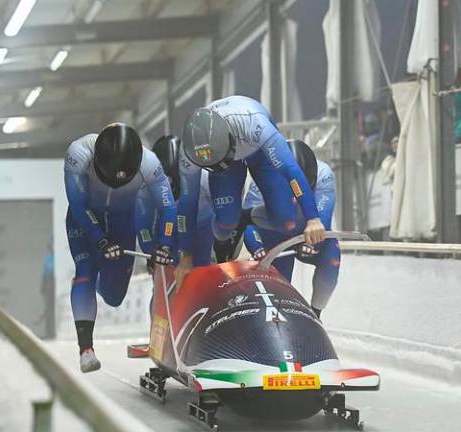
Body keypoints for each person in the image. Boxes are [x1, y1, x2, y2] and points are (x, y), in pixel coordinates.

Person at [174, 96, 326, 287]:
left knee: (286, 221)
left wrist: (313, 218)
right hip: (226, 168)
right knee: (226, 221)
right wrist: (185, 256)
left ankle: (247, 217)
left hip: (259, 151)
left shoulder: (256, 124)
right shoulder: (189, 153)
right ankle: (221, 249)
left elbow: (291, 171)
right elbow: (187, 203)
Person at [64, 123, 177, 372]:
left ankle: (98, 281)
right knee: (85, 269)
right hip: (84, 220)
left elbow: (168, 208)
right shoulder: (78, 154)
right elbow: (78, 205)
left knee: (114, 297)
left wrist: (165, 246)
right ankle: (86, 349)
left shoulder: (150, 164)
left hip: (122, 223)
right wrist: (101, 240)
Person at [242, 140, 338, 319]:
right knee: (279, 284)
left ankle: (316, 315)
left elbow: (322, 220)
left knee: (331, 256)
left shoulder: (324, 174)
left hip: (306, 233)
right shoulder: (262, 181)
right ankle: (277, 319)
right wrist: (257, 248)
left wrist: (314, 244)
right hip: (276, 236)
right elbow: (247, 223)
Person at [135, 135, 215, 268]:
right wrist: (152, 252)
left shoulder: (203, 176)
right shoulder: (145, 186)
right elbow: (142, 226)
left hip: (202, 226)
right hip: (169, 228)